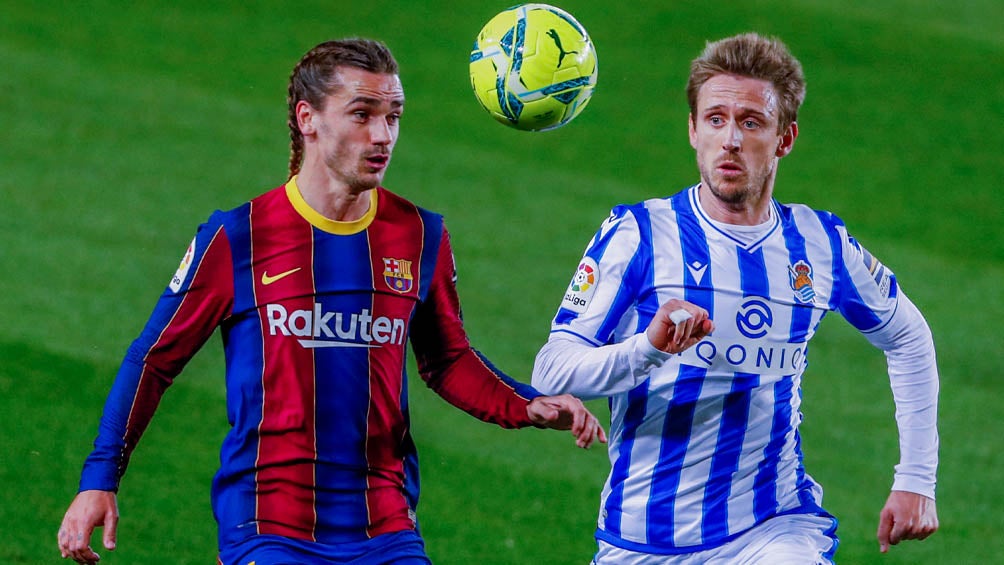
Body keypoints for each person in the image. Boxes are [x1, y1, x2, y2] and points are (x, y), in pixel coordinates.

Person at [57, 38, 605, 565]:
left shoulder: (419, 235)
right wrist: (100, 479)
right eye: (362, 114)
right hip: (267, 526)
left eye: (393, 116)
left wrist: (527, 404)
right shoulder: (240, 236)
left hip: (385, 523)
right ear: (307, 119)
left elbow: (447, 358)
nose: (383, 135)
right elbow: (154, 359)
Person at [531, 32, 939, 564]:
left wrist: (916, 478)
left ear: (784, 138)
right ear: (693, 130)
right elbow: (552, 371)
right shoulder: (640, 234)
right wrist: (647, 350)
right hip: (642, 539)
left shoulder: (820, 244)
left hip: (773, 531)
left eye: (750, 121)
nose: (730, 139)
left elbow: (908, 336)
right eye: (716, 119)